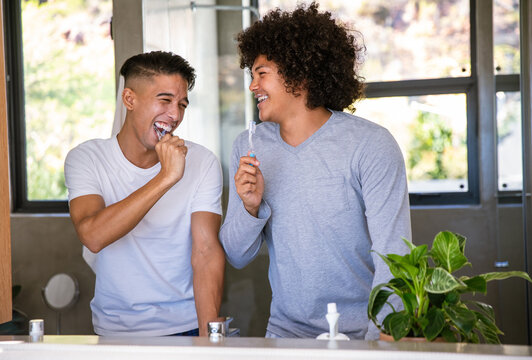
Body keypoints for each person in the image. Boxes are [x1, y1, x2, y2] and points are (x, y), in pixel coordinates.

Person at [219, 2, 411, 340]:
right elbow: (236, 255)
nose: (252, 86)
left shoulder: (371, 145)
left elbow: (395, 256)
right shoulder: (249, 147)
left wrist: (378, 340)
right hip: (285, 333)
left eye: (261, 73)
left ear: (299, 73)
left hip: (363, 332)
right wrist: (250, 207)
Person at [65, 51, 224, 337]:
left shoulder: (202, 161)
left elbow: (206, 252)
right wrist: (166, 177)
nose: (175, 115)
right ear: (129, 99)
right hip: (115, 331)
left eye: (182, 104)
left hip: (186, 327)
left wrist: (209, 338)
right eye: (164, 101)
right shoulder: (86, 158)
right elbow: (93, 235)